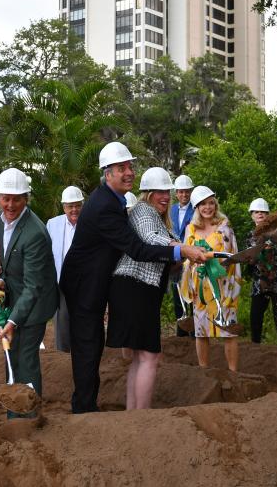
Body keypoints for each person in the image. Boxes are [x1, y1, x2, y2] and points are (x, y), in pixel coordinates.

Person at [59, 141, 210, 414]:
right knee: (87, 346)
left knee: (92, 345)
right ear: (107, 174)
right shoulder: (106, 205)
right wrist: (182, 249)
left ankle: (88, 406)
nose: (128, 172)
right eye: (121, 168)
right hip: (84, 285)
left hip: (96, 283)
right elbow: (139, 248)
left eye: (130, 166)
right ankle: (83, 410)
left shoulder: (114, 201)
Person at [0, 168, 58, 417]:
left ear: (26, 199)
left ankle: (29, 418)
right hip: (16, 298)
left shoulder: (35, 233)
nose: (10, 204)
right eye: (5, 198)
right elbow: (9, 263)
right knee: (11, 358)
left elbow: (33, 286)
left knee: (26, 361)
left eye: (16, 198)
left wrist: (12, 321)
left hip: (35, 304)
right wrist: (1, 281)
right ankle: (13, 415)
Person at [108, 167, 179, 409]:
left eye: (167, 191)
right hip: (135, 289)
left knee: (141, 356)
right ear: (147, 193)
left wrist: (179, 255)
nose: (166, 196)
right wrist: (180, 248)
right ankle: (142, 415)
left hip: (138, 290)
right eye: (160, 191)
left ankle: (134, 413)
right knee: (149, 355)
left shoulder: (155, 216)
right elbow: (151, 238)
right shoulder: (143, 211)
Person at [179, 186, 241, 371]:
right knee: (201, 331)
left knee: (228, 331)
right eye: (203, 204)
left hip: (223, 285)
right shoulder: (191, 228)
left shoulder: (224, 227)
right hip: (200, 286)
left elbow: (231, 255)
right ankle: (203, 371)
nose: (208, 207)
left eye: (211, 203)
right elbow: (186, 255)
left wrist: (206, 256)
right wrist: (192, 263)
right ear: (196, 207)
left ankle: (233, 373)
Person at [244, 198, 277, 346]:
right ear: (252, 215)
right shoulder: (250, 236)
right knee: (256, 316)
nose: (260, 214)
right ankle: (255, 347)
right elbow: (249, 258)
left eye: (263, 212)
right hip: (260, 282)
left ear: (268, 215)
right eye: (257, 212)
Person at [46, 186, 83, 352]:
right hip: (60, 280)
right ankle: (63, 353)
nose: (74, 209)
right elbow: (46, 252)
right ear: (64, 207)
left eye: (77, 205)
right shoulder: (53, 224)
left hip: (84, 282)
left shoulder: (90, 222)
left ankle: (82, 348)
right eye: (70, 206)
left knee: (83, 318)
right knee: (61, 319)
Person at [169, 175, 195, 337]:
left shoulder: (196, 209)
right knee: (177, 295)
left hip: (190, 258)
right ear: (176, 193)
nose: (184, 195)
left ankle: (194, 334)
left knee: (191, 296)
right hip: (174, 258)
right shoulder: (171, 210)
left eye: (187, 192)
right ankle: (181, 333)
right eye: (181, 192)